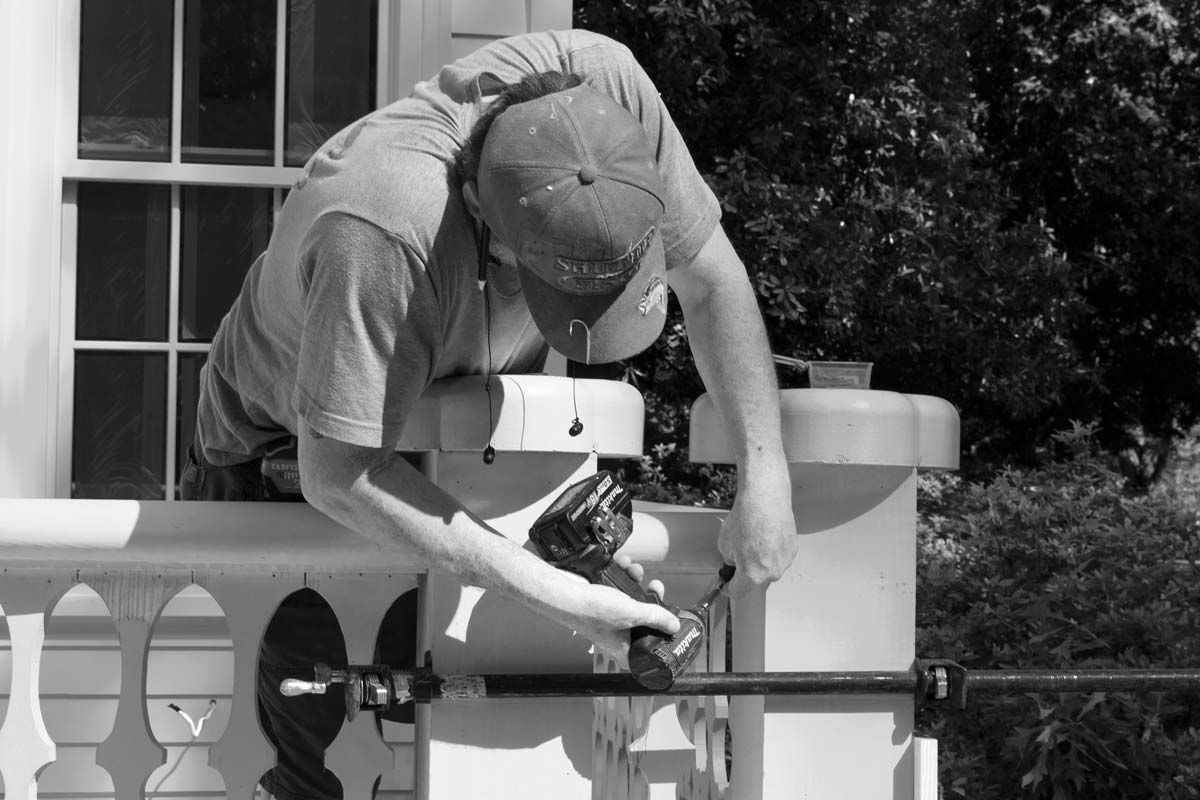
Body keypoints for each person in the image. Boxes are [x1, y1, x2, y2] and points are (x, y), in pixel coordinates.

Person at [181, 29, 797, 800]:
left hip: (455, 437)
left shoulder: (610, 99)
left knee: (465, 712)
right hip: (284, 456)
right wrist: (559, 593)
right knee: (326, 744)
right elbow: (338, 472)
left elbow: (710, 285)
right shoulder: (380, 232)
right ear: (479, 208)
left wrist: (765, 478)